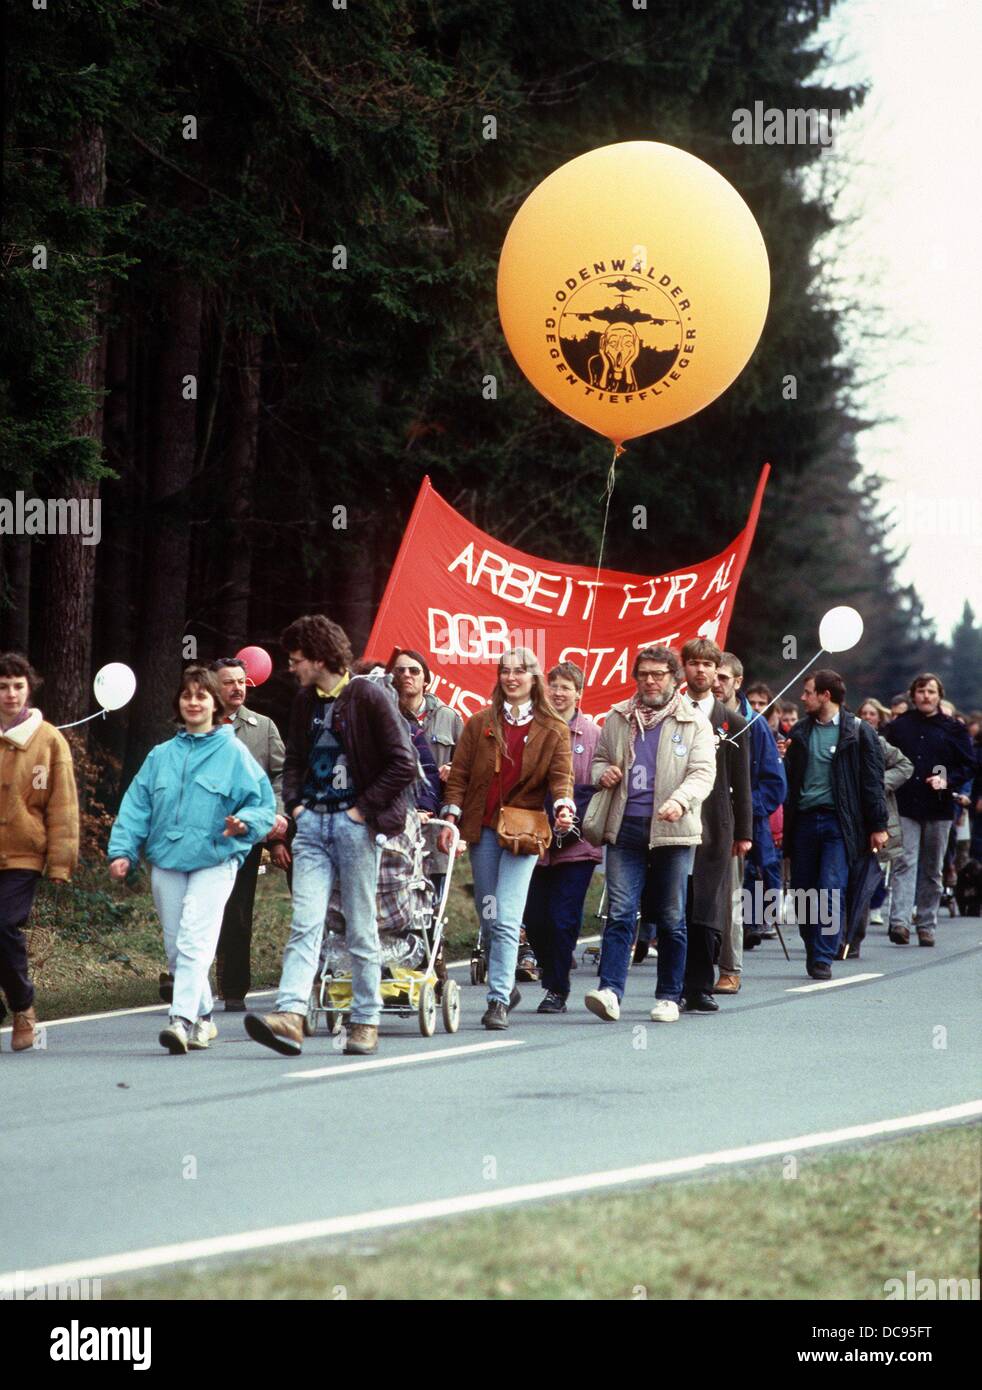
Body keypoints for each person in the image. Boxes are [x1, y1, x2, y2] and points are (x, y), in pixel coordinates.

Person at [245, 616, 418, 1058]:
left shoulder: (369, 696)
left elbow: (403, 763)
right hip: (313, 827)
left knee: (361, 926)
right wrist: (298, 805)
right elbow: (296, 759)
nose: (291, 668)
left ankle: (366, 1020)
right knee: (306, 923)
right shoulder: (305, 700)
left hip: (354, 826)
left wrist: (362, 809)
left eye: (297, 660)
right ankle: (290, 1015)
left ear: (320, 658)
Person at [108, 665, 276, 1054]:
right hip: (166, 859)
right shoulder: (160, 755)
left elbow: (262, 805)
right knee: (176, 947)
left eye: (202, 696)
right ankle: (203, 1018)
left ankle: (180, 1019)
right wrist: (122, 851)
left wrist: (244, 823)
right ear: (178, 705)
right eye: (187, 696)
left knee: (195, 941)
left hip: (215, 860)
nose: (194, 702)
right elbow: (136, 807)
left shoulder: (233, 751)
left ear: (214, 704)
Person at [438, 648, 574, 1030]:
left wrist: (564, 806)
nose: (512, 678)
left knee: (506, 917)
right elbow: (460, 775)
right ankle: (507, 984)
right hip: (482, 829)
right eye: (505, 671)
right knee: (490, 915)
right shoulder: (481, 722)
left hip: (523, 832)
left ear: (535, 679)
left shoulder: (553, 727)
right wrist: (452, 813)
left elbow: (562, 776)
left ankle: (497, 999)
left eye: (520, 671)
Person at [581, 646, 716, 1023]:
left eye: (658, 674)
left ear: (675, 679)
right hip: (625, 826)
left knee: (672, 915)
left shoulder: (693, 722)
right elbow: (598, 760)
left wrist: (681, 800)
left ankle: (669, 996)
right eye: (643, 674)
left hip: (673, 829)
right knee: (621, 911)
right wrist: (602, 773)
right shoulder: (618, 717)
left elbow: (703, 773)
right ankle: (609, 991)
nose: (650, 681)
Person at [782, 670, 888, 979]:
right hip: (802, 822)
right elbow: (788, 780)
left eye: (808, 692)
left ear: (826, 695)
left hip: (838, 824)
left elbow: (872, 782)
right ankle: (813, 945)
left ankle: (824, 955)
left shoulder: (858, 732)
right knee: (803, 890)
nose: (803, 697)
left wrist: (877, 825)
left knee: (830, 888)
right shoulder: (799, 732)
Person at [0, 654, 79, 1053]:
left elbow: (62, 806)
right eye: (2, 686)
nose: (10, 694)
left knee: (3, 925)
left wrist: (61, 863)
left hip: (22, 854)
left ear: (29, 688)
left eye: (17, 686)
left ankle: (23, 1007)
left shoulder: (48, 739)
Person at [208, 657, 289, 1011]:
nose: (238, 688)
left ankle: (234, 990)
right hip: (205, 836)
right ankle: (190, 983)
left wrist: (276, 817)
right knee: (204, 909)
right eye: (229, 682)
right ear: (214, 686)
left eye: (242, 681)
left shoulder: (263, 727)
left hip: (246, 835)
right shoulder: (198, 724)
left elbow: (283, 776)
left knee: (238, 910)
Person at [522, 661, 602, 1014]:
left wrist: (574, 816)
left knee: (563, 916)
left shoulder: (594, 733)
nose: (558, 692)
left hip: (579, 841)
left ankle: (557, 988)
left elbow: (601, 781)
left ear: (579, 693)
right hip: (535, 837)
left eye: (566, 687)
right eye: (553, 685)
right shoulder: (531, 727)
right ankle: (552, 962)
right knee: (535, 917)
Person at [680, 639, 752, 1012]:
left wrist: (744, 832)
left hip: (715, 824)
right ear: (685, 669)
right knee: (677, 903)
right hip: (674, 820)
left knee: (708, 905)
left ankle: (700, 986)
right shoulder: (669, 713)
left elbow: (742, 782)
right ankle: (673, 981)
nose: (701, 671)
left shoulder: (733, 722)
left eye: (708, 665)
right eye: (693, 664)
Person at [883, 672, 976, 946]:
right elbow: (882, 755)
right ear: (913, 695)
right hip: (906, 803)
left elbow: (969, 764)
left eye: (931, 692)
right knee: (904, 862)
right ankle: (899, 922)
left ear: (940, 696)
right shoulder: (899, 726)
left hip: (939, 806)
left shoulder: (953, 729)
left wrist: (947, 780)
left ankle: (926, 923)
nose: (926, 696)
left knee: (932, 868)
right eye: (921, 691)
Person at [714, 651, 786, 987]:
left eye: (723, 677)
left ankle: (730, 969)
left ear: (737, 682)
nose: (715, 683)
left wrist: (741, 810)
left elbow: (774, 784)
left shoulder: (754, 727)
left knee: (730, 898)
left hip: (734, 824)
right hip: (691, 819)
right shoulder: (691, 715)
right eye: (711, 675)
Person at [388, 649, 462, 912]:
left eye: (414, 670)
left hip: (434, 827)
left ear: (426, 680)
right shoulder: (382, 714)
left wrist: (454, 768)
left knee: (431, 908)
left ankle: (434, 952)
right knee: (395, 905)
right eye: (400, 670)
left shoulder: (449, 717)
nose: (407, 675)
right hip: (393, 828)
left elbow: (467, 773)